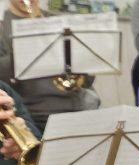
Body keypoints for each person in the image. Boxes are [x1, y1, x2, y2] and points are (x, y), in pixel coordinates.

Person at [0, 0, 100, 130]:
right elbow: (3, 80)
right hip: (34, 115)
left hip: (77, 107)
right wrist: (22, 52)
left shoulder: (59, 22)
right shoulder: (3, 25)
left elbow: (87, 80)